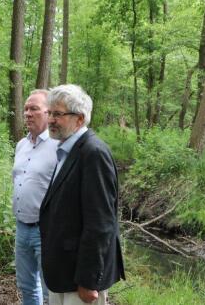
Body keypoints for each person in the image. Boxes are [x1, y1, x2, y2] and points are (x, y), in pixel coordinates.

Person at [39, 84, 125, 305]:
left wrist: (89, 281)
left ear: (79, 119)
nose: (50, 120)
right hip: (64, 273)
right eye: (49, 113)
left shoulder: (93, 153)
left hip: (79, 280)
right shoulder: (68, 150)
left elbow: (101, 224)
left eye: (57, 114)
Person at [13, 90, 59, 305]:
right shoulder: (21, 145)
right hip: (21, 227)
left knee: (51, 289)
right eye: (26, 109)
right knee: (27, 286)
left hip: (46, 230)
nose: (28, 113)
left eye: (34, 109)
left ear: (48, 112)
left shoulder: (59, 146)